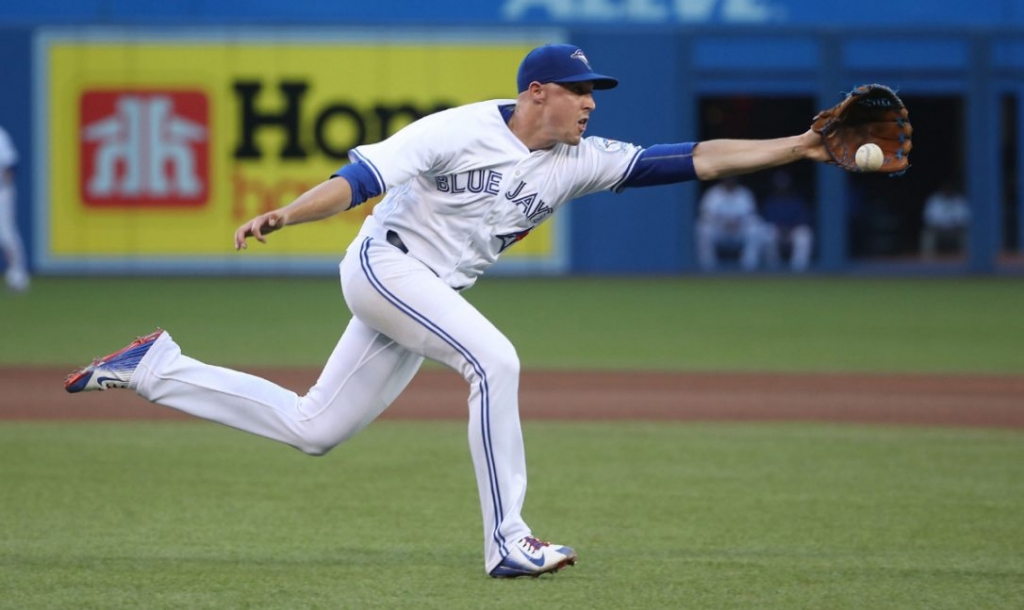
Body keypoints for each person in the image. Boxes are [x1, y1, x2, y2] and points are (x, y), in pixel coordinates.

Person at [64, 44, 832, 578]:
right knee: (493, 361)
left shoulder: (580, 162)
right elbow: (357, 179)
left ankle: (156, 367)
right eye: (581, 91)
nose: (592, 104)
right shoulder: (458, 129)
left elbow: (695, 156)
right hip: (385, 265)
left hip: (429, 291)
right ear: (539, 94)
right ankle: (509, 541)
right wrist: (285, 216)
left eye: (595, 93)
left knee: (315, 429)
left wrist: (799, 145)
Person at [695, 176, 764, 271]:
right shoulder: (713, 194)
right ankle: (708, 268)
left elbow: (751, 216)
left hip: (739, 231)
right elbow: (706, 215)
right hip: (719, 231)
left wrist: (738, 223)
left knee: (755, 228)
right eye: (727, 178)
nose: (729, 181)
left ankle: (749, 267)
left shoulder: (744, 193)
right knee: (703, 228)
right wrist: (722, 223)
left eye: (731, 179)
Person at [760, 170, 814, 272]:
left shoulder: (796, 201)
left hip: (793, 232)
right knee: (768, 232)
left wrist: (789, 231)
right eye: (779, 184)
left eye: (784, 184)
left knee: (804, 234)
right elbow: (767, 220)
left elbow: (803, 220)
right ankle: (772, 268)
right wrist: (781, 231)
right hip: (777, 232)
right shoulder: (771, 201)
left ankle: (798, 269)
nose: (782, 187)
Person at [0, 125, 29, 292]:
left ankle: (17, 276)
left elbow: (9, 165)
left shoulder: (0, 135)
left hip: (1, 192)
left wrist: (5, 191)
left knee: (6, 235)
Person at [920, 180, 970, 259]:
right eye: (946, 188)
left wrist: (955, 224)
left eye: (950, 188)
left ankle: (966, 258)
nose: (948, 190)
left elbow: (965, 218)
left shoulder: (959, 200)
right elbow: (928, 218)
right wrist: (941, 225)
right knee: (928, 234)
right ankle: (927, 259)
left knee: (966, 234)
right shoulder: (934, 200)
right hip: (938, 230)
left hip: (955, 230)